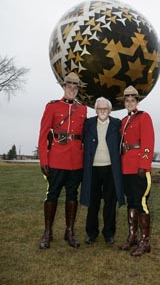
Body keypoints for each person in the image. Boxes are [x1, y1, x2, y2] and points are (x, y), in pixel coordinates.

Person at [38, 72, 87, 249]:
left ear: (78, 90)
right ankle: (48, 232)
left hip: (76, 160)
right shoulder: (52, 106)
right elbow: (43, 135)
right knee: (52, 194)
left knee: (72, 195)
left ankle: (69, 231)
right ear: (64, 87)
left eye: (75, 88)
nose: (72, 90)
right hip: (57, 158)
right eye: (69, 86)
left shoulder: (82, 109)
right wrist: (44, 159)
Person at [80, 97, 125, 245]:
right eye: (99, 108)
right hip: (93, 169)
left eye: (105, 108)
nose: (102, 111)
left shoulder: (117, 124)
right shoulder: (88, 124)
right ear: (96, 110)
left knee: (110, 203)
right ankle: (91, 233)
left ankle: (109, 233)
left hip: (110, 169)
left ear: (110, 110)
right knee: (93, 203)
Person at [118, 85, 154, 257]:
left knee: (141, 203)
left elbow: (148, 143)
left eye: (132, 100)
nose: (129, 103)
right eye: (127, 100)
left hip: (139, 167)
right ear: (124, 102)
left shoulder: (144, 117)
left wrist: (144, 164)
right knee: (131, 201)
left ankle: (145, 242)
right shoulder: (124, 122)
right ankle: (132, 237)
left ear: (137, 101)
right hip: (126, 167)